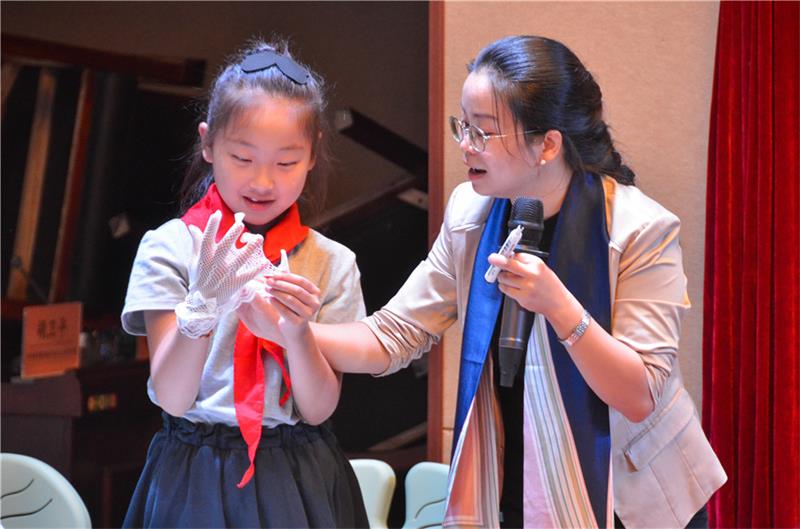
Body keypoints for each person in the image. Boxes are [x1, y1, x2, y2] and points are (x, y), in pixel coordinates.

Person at [244, 35, 727, 529]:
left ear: (547, 144)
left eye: (483, 131)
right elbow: (395, 334)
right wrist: (291, 330)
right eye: (463, 126)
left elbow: (641, 394)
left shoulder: (641, 229)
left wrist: (559, 307)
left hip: (630, 498)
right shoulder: (470, 212)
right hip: (512, 478)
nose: (465, 145)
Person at [120, 39, 369, 528]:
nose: (262, 182)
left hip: (297, 472)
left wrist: (296, 333)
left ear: (313, 154)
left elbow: (319, 409)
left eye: (285, 163)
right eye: (242, 157)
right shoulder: (170, 247)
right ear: (208, 144)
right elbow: (172, 397)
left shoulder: (331, 262)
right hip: (194, 469)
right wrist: (201, 310)